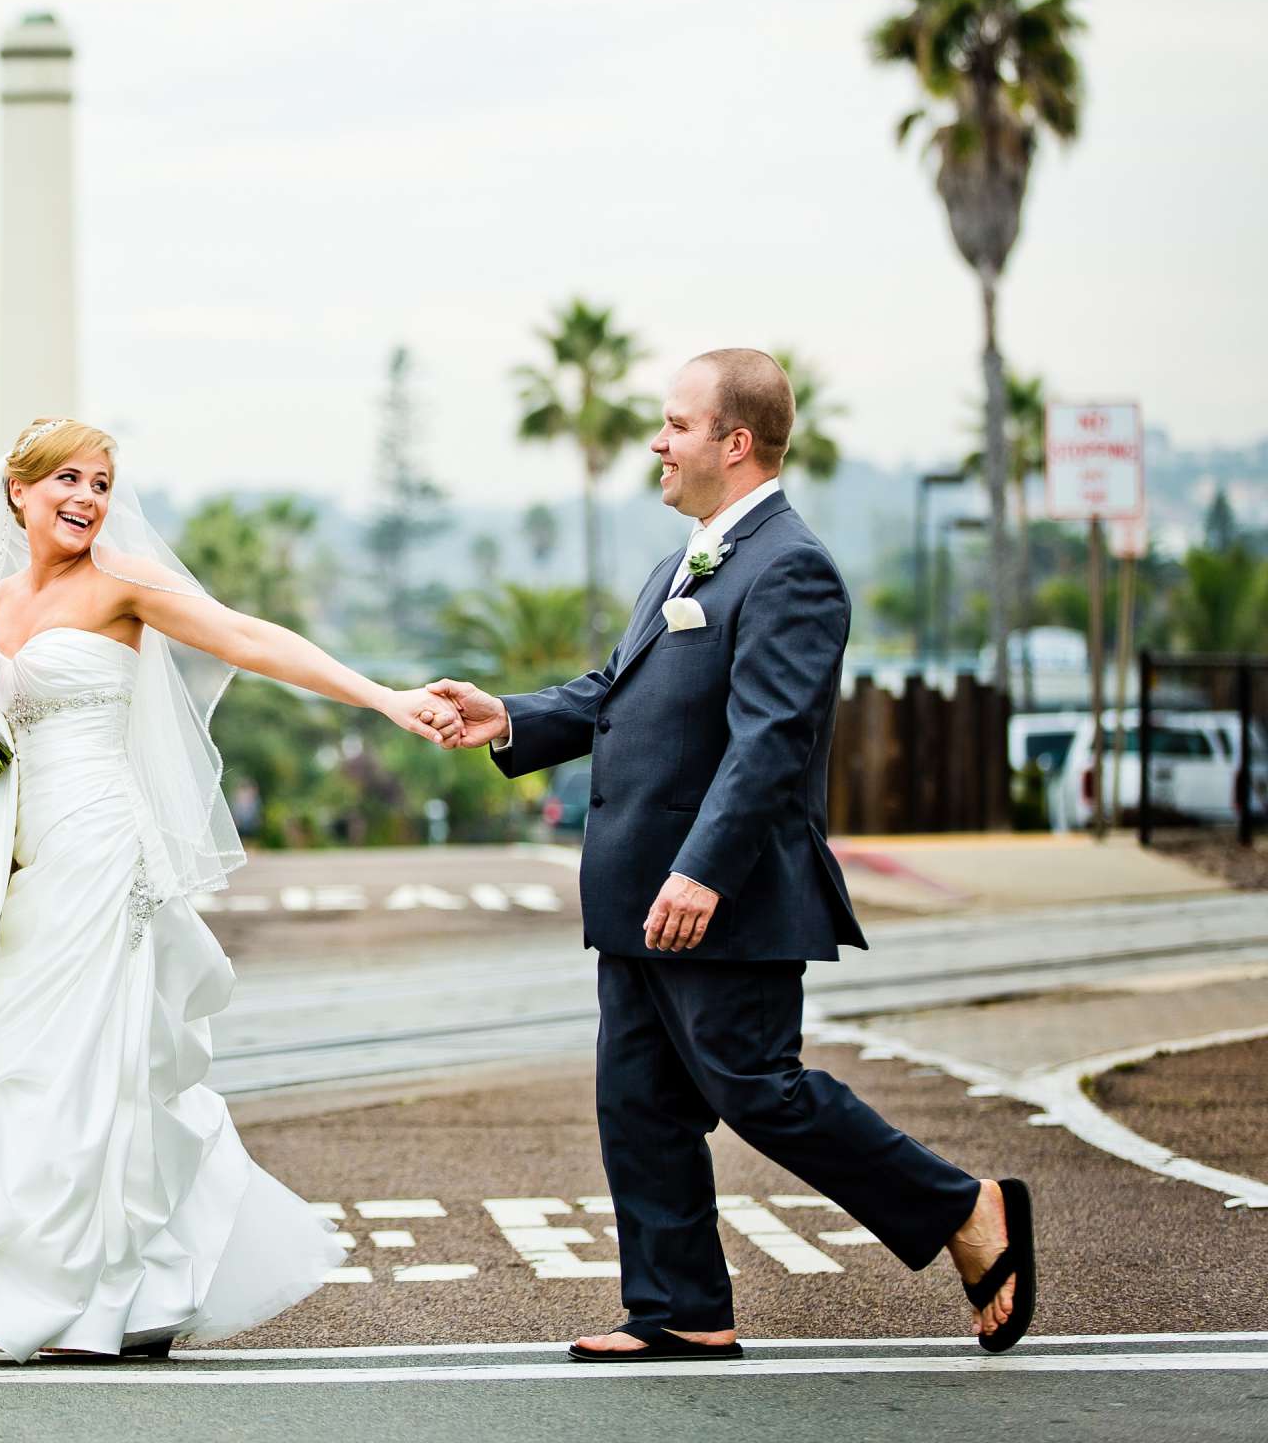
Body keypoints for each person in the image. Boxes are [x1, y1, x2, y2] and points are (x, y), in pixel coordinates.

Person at [431, 348, 1035, 1362]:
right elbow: (618, 693)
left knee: (760, 1087)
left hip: (721, 894)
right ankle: (680, 1308)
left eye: (675, 424)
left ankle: (968, 1210)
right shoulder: (688, 557)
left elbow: (773, 742)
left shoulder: (790, 566)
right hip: (636, 890)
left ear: (735, 442)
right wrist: (510, 717)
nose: (656, 443)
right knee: (640, 1103)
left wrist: (703, 867)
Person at [0, 416, 462, 1361]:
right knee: (9, 1058)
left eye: (101, 482)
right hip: (20, 859)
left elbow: (243, 637)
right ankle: (36, 1289)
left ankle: (110, 1300)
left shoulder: (122, 583)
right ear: (19, 492)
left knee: (91, 1065)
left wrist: (385, 699)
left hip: (101, 846)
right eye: (67, 480)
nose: (86, 498)